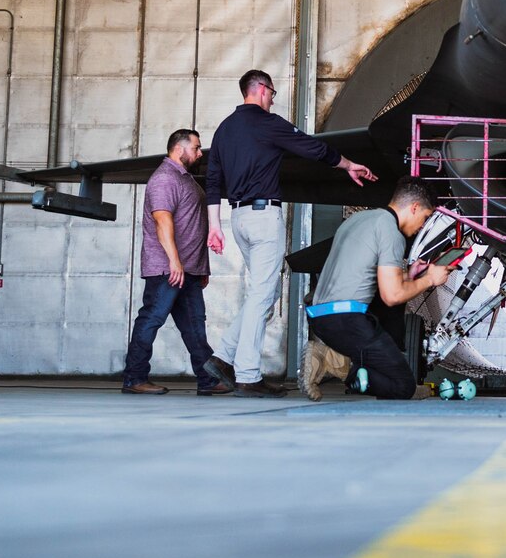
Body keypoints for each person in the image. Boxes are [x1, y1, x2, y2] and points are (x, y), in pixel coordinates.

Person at [203, 70, 377, 396]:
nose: (273, 99)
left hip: (238, 218)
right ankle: (247, 375)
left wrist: (214, 226)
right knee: (262, 295)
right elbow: (310, 147)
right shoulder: (268, 123)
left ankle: (223, 357)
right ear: (262, 90)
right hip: (263, 216)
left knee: (263, 296)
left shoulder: (224, 130)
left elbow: (213, 181)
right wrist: (348, 164)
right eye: (272, 93)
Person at [301, 178, 451, 400]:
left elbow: (363, 274)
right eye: (425, 218)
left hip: (321, 320)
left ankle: (338, 360)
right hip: (348, 321)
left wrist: (409, 274)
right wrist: (430, 279)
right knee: (402, 386)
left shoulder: (358, 220)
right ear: (414, 207)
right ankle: (336, 363)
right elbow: (392, 296)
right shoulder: (391, 232)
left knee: (375, 374)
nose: (422, 226)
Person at [121, 129, 232, 396]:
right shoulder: (164, 179)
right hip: (167, 269)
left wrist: (200, 267)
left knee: (195, 326)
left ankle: (207, 380)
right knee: (151, 319)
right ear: (179, 148)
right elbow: (162, 220)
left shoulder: (186, 180)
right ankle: (134, 378)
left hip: (189, 270)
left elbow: (194, 225)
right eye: (195, 148)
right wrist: (174, 262)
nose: (199, 153)